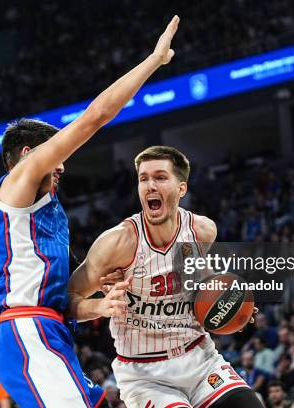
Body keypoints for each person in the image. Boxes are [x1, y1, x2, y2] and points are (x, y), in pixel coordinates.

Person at [0, 16, 181, 408]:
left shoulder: (46, 218)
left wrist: (101, 306)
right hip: (25, 330)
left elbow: (65, 301)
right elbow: (95, 116)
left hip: (48, 330)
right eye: (56, 154)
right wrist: (154, 61)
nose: (63, 165)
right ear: (29, 154)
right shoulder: (19, 183)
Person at [68, 146, 263, 407]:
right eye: (143, 178)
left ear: (181, 188)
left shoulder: (202, 231)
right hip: (146, 375)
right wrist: (100, 307)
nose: (150, 185)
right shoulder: (118, 243)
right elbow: (67, 300)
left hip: (200, 359)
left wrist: (233, 299)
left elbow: (203, 283)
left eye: (160, 177)